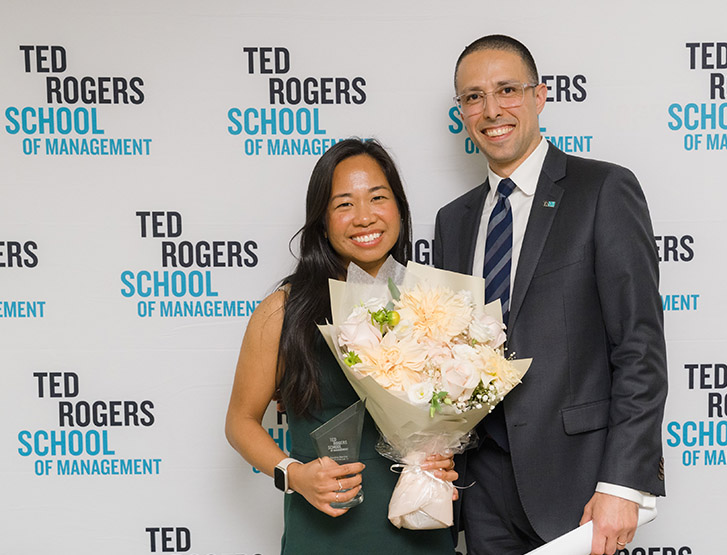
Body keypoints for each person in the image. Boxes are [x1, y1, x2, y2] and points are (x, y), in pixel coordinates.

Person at [433, 35, 668, 555]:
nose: (491, 109)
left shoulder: (603, 189)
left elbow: (639, 348)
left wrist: (622, 485)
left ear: (540, 97)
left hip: (579, 485)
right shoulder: (453, 222)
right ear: (462, 113)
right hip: (480, 491)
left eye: (507, 90)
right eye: (472, 97)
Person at [225, 139, 457, 555]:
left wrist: (440, 456)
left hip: (421, 529)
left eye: (378, 198)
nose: (364, 217)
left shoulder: (433, 303)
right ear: (322, 220)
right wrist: (293, 475)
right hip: (325, 534)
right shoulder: (284, 310)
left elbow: (450, 410)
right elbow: (240, 421)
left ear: (400, 209)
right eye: (344, 204)